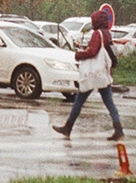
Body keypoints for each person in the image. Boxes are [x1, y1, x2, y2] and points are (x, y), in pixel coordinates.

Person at [52, 8, 124, 141]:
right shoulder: (107, 33)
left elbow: (93, 52)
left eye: (93, 20)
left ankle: (68, 127)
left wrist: (79, 55)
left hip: (94, 73)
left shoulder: (97, 33)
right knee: (109, 103)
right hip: (103, 73)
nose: (92, 23)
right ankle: (118, 129)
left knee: (79, 100)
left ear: (97, 21)